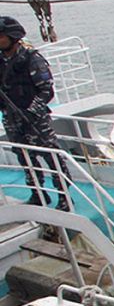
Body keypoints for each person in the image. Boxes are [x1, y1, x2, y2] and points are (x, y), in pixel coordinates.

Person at [0, 15, 71, 211]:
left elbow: (46, 90)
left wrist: (31, 112)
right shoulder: (1, 62)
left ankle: (64, 196)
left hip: (35, 119)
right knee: (25, 157)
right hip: (12, 118)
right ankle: (38, 193)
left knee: (51, 157)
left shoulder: (31, 59)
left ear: (12, 37)